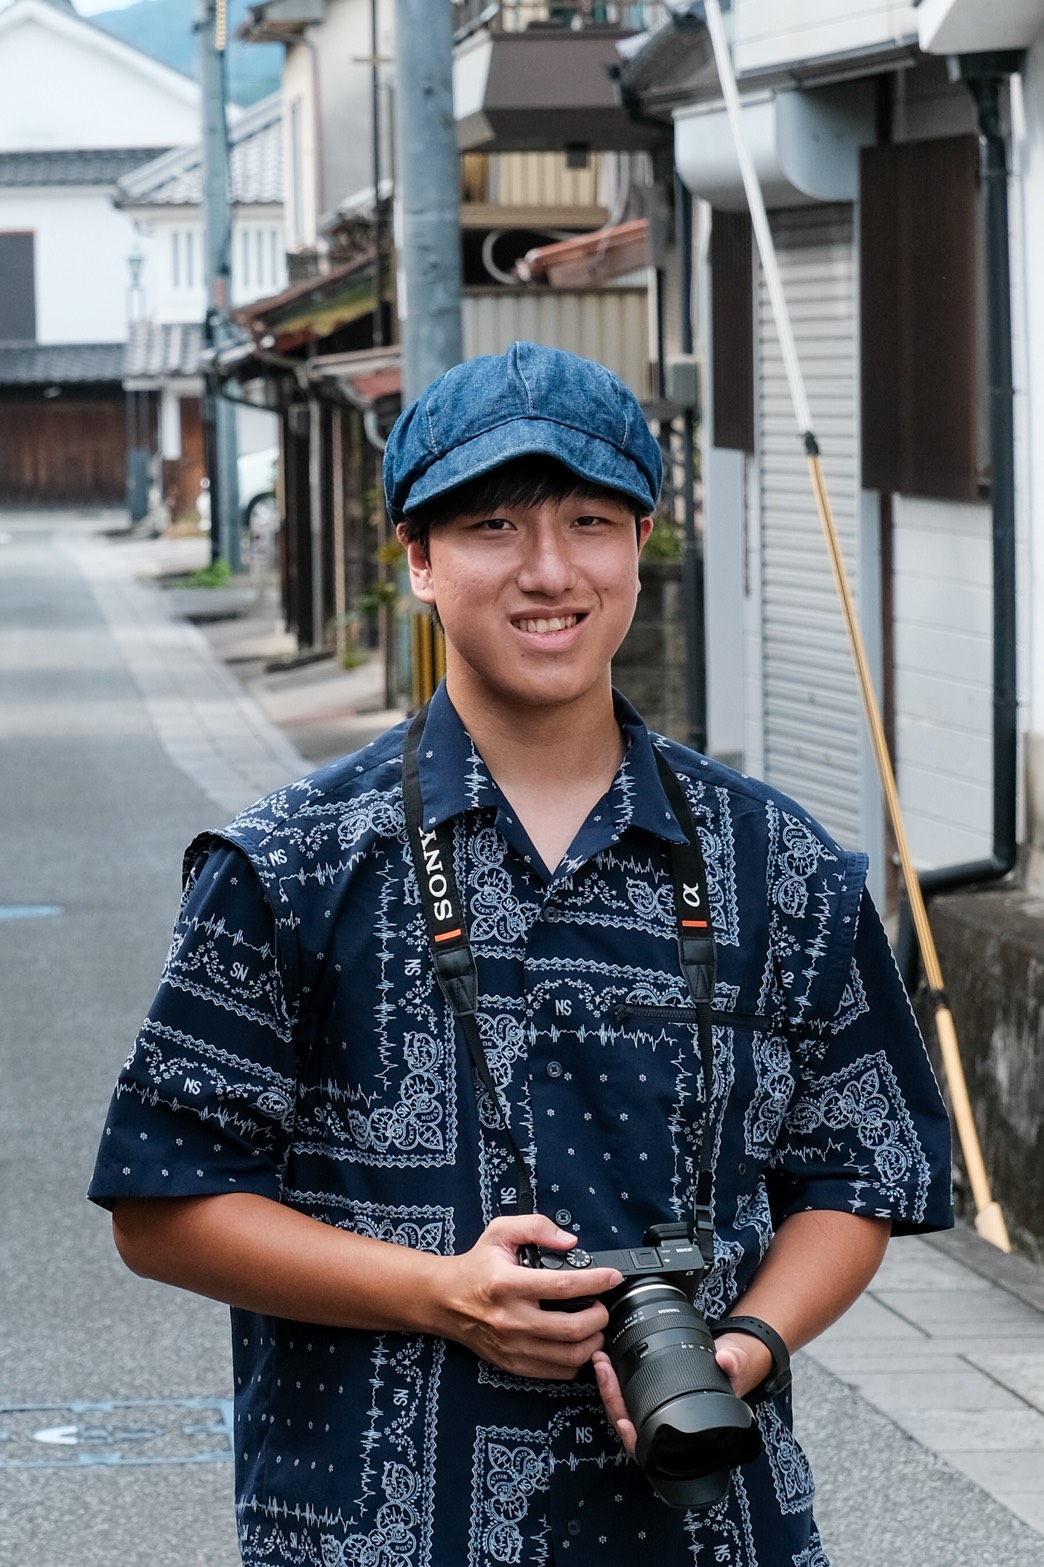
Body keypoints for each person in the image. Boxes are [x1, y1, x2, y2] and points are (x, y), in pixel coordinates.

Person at [90, 341, 953, 1567]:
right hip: (382, 1537)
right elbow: (161, 1202)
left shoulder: (783, 866)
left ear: (640, 543)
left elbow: (858, 1174)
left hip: (709, 1532)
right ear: (419, 558)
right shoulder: (291, 863)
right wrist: (441, 1293)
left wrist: (749, 1342)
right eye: (493, 525)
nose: (550, 570)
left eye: (590, 522)